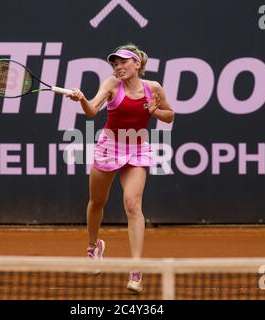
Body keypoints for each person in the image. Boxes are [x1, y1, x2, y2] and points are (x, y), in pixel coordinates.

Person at [67, 43, 174, 293]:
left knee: (133, 204)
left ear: (137, 64)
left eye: (124, 61)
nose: (119, 67)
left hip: (137, 149)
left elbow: (170, 116)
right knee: (96, 202)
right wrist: (82, 98)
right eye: (115, 63)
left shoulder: (153, 88)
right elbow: (92, 111)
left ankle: (136, 269)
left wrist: (154, 110)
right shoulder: (111, 85)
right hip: (109, 147)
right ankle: (94, 247)